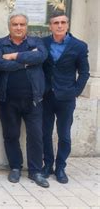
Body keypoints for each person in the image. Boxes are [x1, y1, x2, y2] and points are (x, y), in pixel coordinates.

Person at [0, 12, 49, 188]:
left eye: (22, 25)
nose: (18, 27)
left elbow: (40, 57)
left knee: (36, 136)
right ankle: (15, 167)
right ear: (9, 26)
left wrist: (13, 56)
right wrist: (26, 60)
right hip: (7, 99)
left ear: (27, 27)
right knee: (11, 135)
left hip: (34, 99)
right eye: (15, 24)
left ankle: (35, 171)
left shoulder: (36, 42)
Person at [41, 12, 90, 184]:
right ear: (50, 26)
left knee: (64, 135)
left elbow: (84, 72)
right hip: (46, 96)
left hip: (66, 98)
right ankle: (47, 165)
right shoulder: (43, 43)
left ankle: (60, 166)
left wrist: (75, 91)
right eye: (56, 23)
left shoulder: (79, 46)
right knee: (45, 133)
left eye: (63, 22)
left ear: (67, 25)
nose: (59, 25)